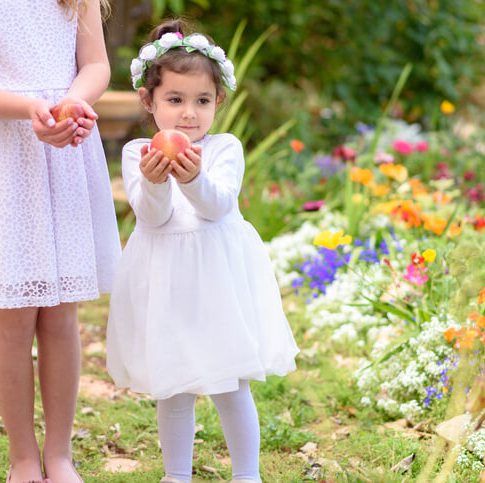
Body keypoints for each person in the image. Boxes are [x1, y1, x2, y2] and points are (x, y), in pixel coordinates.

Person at [0, 0, 121, 481]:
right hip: (2, 154)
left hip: (65, 150)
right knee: (13, 318)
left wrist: (71, 103)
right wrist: (30, 107)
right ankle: (23, 458)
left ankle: (59, 454)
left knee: (61, 314)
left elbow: (95, 64)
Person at [106, 19, 299, 483]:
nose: (188, 113)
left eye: (202, 101)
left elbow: (217, 206)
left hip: (217, 283)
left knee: (231, 384)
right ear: (149, 102)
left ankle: (246, 474)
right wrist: (156, 182)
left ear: (218, 102)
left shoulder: (223, 149)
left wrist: (191, 178)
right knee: (172, 388)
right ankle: (176, 474)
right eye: (175, 100)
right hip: (166, 283)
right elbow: (151, 217)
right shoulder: (138, 154)